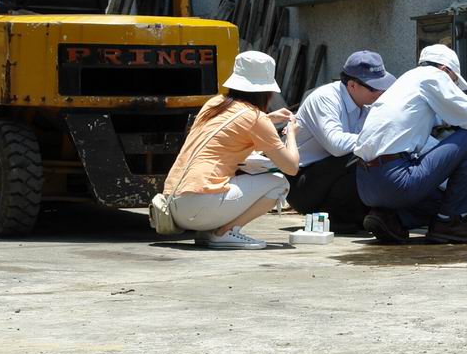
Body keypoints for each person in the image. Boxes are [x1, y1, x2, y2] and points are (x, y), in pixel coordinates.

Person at [353, 44, 467, 244]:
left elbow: (424, 147)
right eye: (453, 81)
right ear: (445, 70)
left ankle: (390, 218)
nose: (452, 86)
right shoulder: (433, 76)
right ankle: (448, 223)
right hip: (394, 180)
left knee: (440, 202)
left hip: (366, 186)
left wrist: (461, 185)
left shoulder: (404, 84)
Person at [163, 51, 300, 250]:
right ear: (266, 91)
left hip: (173, 205)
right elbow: (292, 167)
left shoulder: (214, 104)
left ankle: (209, 232)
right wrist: (292, 134)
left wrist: (269, 119)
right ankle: (224, 232)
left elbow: (232, 129)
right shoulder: (255, 118)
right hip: (199, 206)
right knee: (278, 183)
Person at [285, 50, 395, 231]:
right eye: (374, 88)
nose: (380, 92)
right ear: (352, 85)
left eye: (383, 87)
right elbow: (336, 145)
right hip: (302, 182)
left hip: (329, 175)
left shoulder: (366, 104)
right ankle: (337, 217)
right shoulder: (325, 98)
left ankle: (353, 215)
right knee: (361, 155)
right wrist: (380, 139)